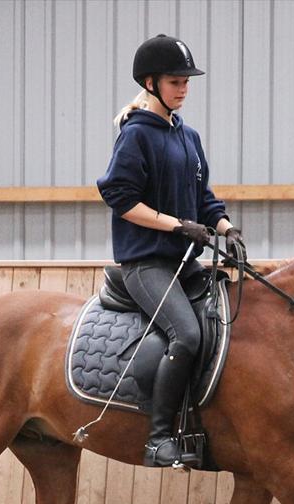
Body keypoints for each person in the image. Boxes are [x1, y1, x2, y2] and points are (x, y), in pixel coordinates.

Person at [97, 34, 247, 468]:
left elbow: (203, 197)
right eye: (175, 81)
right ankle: (159, 438)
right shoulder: (136, 136)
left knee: (225, 321)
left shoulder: (188, 136)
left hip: (184, 262)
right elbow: (122, 201)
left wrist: (225, 227)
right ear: (150, 83)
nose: (183, 88)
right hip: (145, 262)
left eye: (186, 81)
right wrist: (178, 226)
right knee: (188, 334)